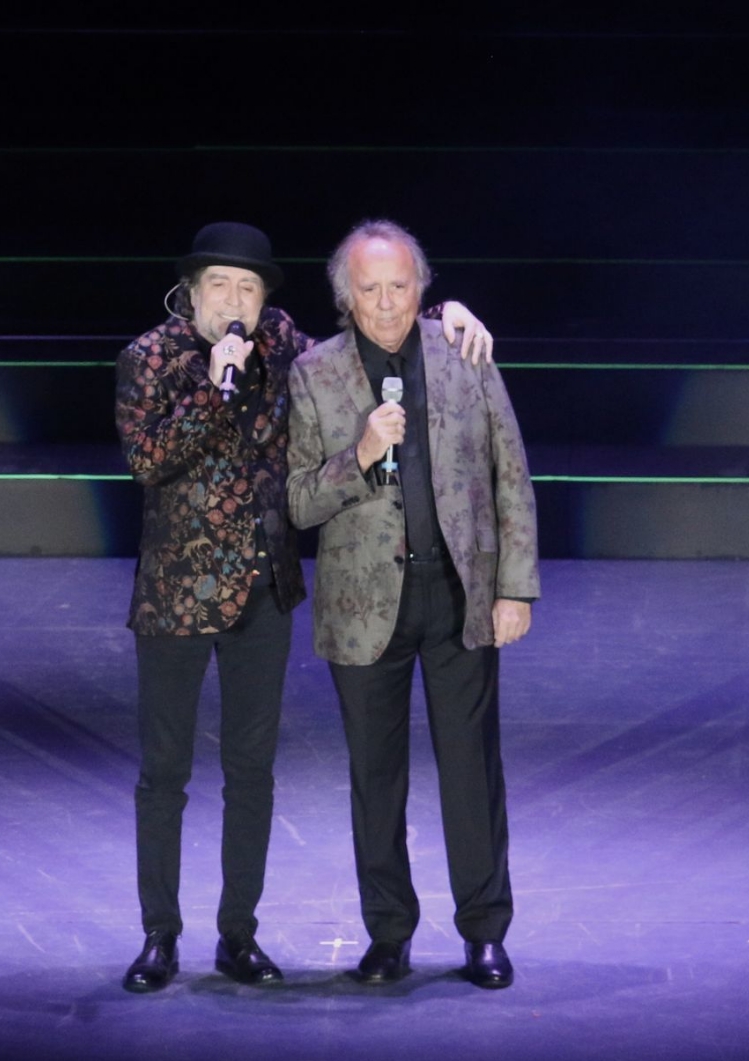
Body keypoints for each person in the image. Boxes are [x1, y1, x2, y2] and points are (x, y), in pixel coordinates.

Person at [114, 221, 492, 993]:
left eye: (249, 287)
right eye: (219, 285)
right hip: (177, 597)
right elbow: (148, 460)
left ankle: (236, 934)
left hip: (263, 589)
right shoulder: (150, 357)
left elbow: (372, 325)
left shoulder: (284, 344)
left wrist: (448, 313)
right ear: (191, 291)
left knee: (251, 771)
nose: (235, 300)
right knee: (166, 773)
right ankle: (160, 933)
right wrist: (213, 388)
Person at [285, 218, 539, 989]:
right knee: (376, 777)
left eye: (400, 286)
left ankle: (485, 931)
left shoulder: (465, 356)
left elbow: (509, 476)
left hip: (458, 594)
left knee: (472, 772)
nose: (387, 302)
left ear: (422, 288)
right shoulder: (315, 374)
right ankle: (388, 934)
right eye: (370, 288)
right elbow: (297, 501)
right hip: (364, 606)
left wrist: (514, 587)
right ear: (345, 296)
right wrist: (358, 455)